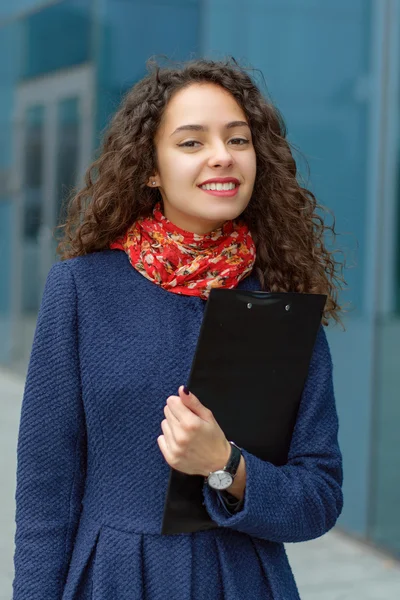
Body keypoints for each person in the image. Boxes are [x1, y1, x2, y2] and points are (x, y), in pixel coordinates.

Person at [12, 57, 345, 599]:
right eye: (192, 143)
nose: (222, 156)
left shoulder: (282, 304)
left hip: (241, 582)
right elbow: (46, 490)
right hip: (114, 579)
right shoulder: (81, 290)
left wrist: (226, 465)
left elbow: (319, 497)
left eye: (238, 140)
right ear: (150, 166)